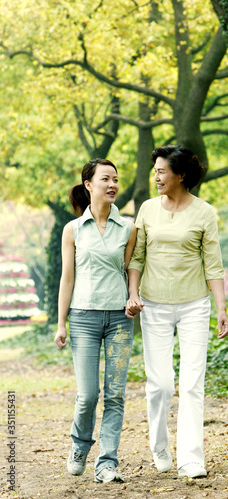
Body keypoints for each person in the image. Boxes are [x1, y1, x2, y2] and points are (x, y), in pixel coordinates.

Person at [125, 145, 228, 479]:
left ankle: (191, 458)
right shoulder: (146, 209)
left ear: (181, 174)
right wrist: (132, 294)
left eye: (161, 171)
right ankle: (159, 445)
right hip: (153, 304)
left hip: (194, 306)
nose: (156, 176)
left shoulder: (204, 212)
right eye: (154, 171)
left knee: (191, 383)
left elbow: (213, 264)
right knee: (159, 384)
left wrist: (221, 308)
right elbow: (136, 257)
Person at [54, 158, 137, 484]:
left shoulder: (129, 228)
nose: (113, 184)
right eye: (106, 179)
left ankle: (107, 463)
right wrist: (61, 323)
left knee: (115, 394)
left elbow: (132, 270)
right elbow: (67, 279)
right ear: (89, 185)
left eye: (115, 179)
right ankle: (79, 446)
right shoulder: (73, 230)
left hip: (119, 319)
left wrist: (133, 296)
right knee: (88, 395)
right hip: (83, 318)